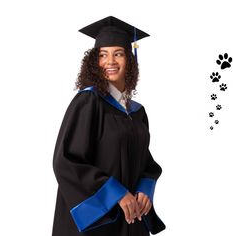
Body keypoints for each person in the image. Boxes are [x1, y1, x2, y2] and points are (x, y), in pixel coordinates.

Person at [52, 16, 165, 236]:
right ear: (94, 62)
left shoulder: (137, 111)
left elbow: (144, 160)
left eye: (118, 54)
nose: (110, 61)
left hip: (132, 218)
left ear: (130, 60)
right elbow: (66, 160)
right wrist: (115, 193)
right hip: (99, 222)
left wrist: (145, 188)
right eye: (103, 55)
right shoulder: (88, 102)